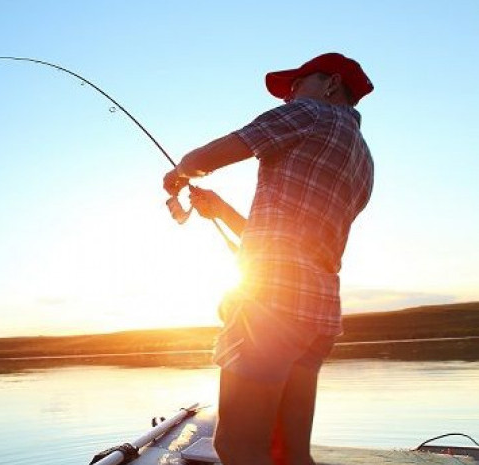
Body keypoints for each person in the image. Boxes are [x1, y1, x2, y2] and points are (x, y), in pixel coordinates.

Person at [162, 53, 375, 465]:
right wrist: (221, 210)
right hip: (319, 313)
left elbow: (205, 159)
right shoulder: (364, 160)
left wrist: (180, 173)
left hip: (272, 308)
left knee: (238, 447)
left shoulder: (308, 113)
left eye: (296, 86)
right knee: (290, 453)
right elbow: (291, 241)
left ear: (330, 85)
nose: (289, 98)